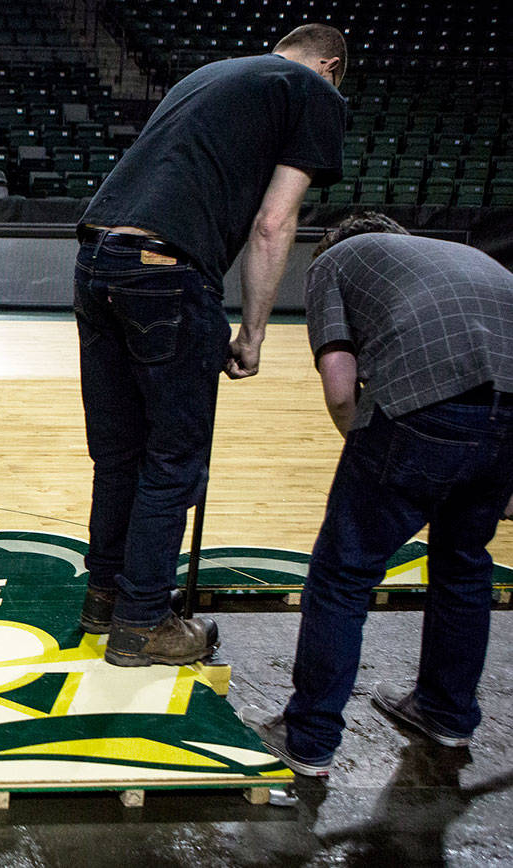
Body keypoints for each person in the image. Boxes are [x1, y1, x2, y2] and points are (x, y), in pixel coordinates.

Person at [73, 24, 349, 667]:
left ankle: (105, 598)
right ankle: (143, 625)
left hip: (94, 258)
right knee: (173, 460)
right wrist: (253, 332)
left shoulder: (212, 76)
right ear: (329, 65)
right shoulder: (314, 90)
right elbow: (274, 223)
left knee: (118, 454)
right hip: (166, 271)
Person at [242, 213, 513, 775]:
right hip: (507, 417)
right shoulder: (461, 257)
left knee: (344, 573)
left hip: (425, 403)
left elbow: (342, 388)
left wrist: (371, 454)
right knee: (464, 565)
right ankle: (446, 713)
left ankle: (309, 737)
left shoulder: (335, 262)